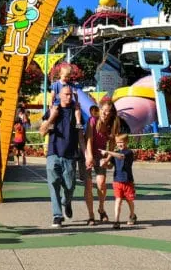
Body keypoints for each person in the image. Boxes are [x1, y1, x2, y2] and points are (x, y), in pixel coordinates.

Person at [39, 86, 79, 228]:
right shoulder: (53, 110)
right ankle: (57, 215)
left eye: (70, 95)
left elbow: (80, 132)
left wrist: (86, 152)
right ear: (60, 96)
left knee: (70, 186)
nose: (69, 97)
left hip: (70, 154)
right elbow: (42, 132)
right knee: (54, 183)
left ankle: (66, 202)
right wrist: (51, 118)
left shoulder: (76, 111)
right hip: (53, 152)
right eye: (66, 95)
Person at [85, 100, 121, 225]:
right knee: (88, 184)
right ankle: (91, 215)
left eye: (109, 111)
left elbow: (112, 144)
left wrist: (107, 159)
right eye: (104, 110)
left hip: (101, 155)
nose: (106, 113)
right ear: (99, 110)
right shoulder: (93, 120)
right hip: (88, 153)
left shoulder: (113, 123)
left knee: (101, 183)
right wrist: (89, 156)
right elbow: (89, 139)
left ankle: (101, 209)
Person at [98, 134, 137, 229]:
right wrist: (104, 164)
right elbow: (111, 166)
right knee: (118, 200)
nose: (120, 144)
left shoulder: (129, 152)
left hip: (128, 181)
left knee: (129, 200)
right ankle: (116, 221)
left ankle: (132, 215)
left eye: (122, 142)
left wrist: (107, 152)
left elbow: (121, 156)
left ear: (127, 142)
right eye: (118, 142)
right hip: (117, 181)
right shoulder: (114, 153)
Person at [50, 65, 83, 129]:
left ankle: (78, 122)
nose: (67, 78)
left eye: (68, 77)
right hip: (58, 101)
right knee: (53, 109)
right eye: (65, 76)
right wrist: (51, 102)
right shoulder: (56, 84)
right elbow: (53, 95)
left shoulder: (70, 84)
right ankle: (51, 123)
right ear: (60, 74)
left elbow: (75, 93)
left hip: (69, 102)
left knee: (77, 108)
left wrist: (76, 102)